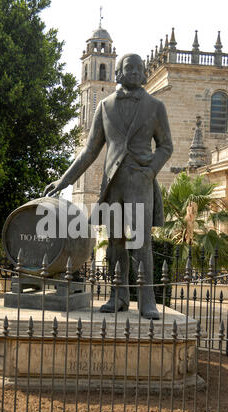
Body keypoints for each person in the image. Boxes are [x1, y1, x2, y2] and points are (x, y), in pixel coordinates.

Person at [43, 53, 173, 319]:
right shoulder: (105, 106)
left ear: (144, 74)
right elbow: (89, 150)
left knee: (140, 243)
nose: (135, 71)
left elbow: (166, 146)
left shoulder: (156, 106)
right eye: (129, 67)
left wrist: (150, 170)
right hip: (112, 184)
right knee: (115, 243)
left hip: (140, 182)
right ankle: (118, 295)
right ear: (120, 73)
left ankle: (147, 300)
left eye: (139, 68)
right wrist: (64, 179)